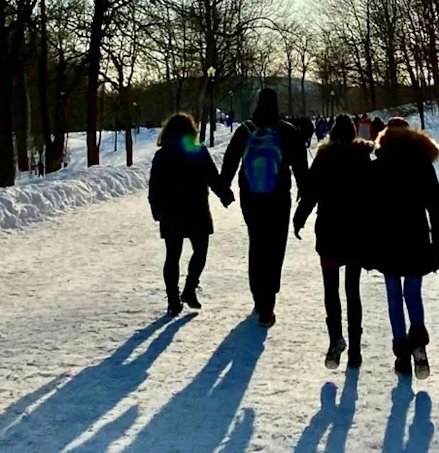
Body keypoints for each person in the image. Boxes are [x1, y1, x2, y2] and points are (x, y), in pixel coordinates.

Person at [220, 88, 309, 328]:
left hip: (250, 197)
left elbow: (229, 161)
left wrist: (224, 190)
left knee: (257, 243)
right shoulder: (287, 130)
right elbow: (301, 166)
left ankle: (259, 299)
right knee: (275, 246)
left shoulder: (245, 130)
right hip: (278, 197)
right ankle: (268, 304)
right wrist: (304, 195)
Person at [293, 115, 374, 370]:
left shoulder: (323, 158)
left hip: (329, 233)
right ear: (353, 134)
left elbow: (310, 193)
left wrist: (299, 219)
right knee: (353, 291)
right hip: (356, 235)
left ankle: (335, 339)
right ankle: (356, 349)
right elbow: (373, 197)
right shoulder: (363, 158)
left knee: (331, 290)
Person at [369, 117, 439, 378]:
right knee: (413, 293)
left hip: (387, 239)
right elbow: (436, 206)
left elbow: (367, 210)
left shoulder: (379, 164)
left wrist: (367, 246)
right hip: (416, 236)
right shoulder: (422, 163)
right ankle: (419, 343)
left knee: (393, 295)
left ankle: (401, 351)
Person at [149, 113, 235, 316]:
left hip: (171, 211)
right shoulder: (198, 151)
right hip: (197, 209)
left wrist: (156, 209)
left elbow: (154, 185)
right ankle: (189, 288)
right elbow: (212, 177)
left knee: (172, 255)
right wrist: (225, 195)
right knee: (200, 251)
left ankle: (173, 300)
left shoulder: (162, 155)